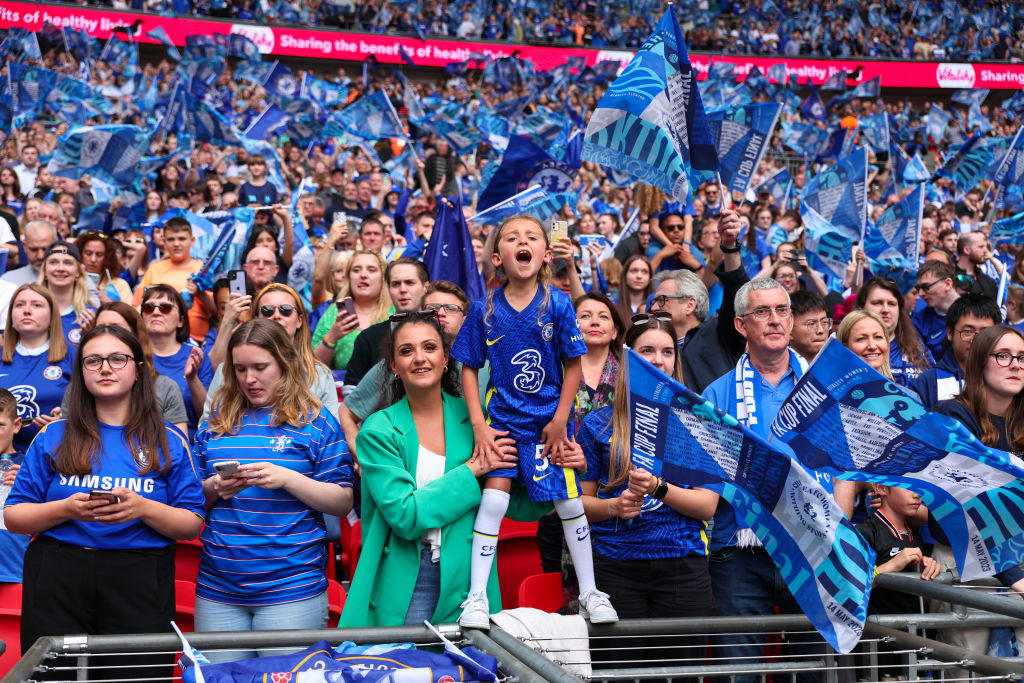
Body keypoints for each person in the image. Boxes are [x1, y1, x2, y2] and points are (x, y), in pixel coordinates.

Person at [5, 325, 205, 675]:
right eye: (93, 360)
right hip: (58, 573)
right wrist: (66, 509)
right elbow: (15, 516)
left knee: (136, 677)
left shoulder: (169, 438)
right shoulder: (53, 434)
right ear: (81, 372)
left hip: (139, 575)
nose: (105, 368)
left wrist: (142, 508)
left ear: (139, 370)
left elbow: (190, 523)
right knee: (53, 679)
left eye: (117, 358)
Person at [451, 214, 619, 628]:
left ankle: (589, 592)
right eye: (511, 238)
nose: (521, 243)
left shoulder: (559, 304)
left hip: (549, 426)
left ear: (545, 254)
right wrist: (478, 424)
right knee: (493, 502)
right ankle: (475, 599)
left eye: (531, 238)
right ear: (497, 256)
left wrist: (562, 420)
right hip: (504, 425)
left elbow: (574, 364)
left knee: (570, 501)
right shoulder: (484, 307)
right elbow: (468, 368)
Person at [340, 310, 553, 627]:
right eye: (406, 351)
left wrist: (556, 469)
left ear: (445, 359)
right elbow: (406, 516)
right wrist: (472, 471)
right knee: (410, 672)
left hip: (468, 573)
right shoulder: (377, 431)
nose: (419, 358)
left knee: (469, 673)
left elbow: (521, 505)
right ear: (394, 368)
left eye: (429, 347)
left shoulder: (478, 422)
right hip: (407, 578)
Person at [193, 319, 353, 660]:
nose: (249, 378)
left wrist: (288, 479)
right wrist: (215, 487)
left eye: (260, 367)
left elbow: (342, 502)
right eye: (240, 369)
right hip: (218, 588)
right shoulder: (215, 422)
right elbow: (190, 500)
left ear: (285, 362)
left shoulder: (318, 420)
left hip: (292, 588)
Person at [578, 313, 718, 663]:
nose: (658, 360)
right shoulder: (597, 423)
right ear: (627, 357)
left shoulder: (701, 421)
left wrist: (658, 488)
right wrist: (614, 507)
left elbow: (707, 507)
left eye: (668, 352)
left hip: (683, 569)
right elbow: (577, 504)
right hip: (615, 568)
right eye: (647, 350)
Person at [702, 277, 817, 682]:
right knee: (740, 673)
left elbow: (841, 466)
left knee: (811, 672)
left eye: (781, 310)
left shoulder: (821, 388)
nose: (774, 320)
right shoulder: (715, 397)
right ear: (740, 325)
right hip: (740, 552)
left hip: (811, 546)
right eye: (762, 312)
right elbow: (708, 479)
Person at [933, 325, 1024, 669]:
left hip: (1020, 559)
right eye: (1003, 356)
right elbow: (963, 507)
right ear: (979, 364)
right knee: (972, 672)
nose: (1015, 365)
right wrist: (1013, 575)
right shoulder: (953, 417)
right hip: (968, 564)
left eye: (1022, 357)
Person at [337, 281, 468, 459]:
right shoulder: (396, 367)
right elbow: (347, 412)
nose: (441, 313)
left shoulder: (481, 367)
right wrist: (362, 457)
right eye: (433, 308)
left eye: (451, 308)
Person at [202, 284, 341, 423]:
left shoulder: (319, 374)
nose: (276, 316)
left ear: (299, 321)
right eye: (267, 310)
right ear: (256, 318)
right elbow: (207, 426)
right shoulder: (228, 370)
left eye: (285, 310)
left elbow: (331, 434)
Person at [70, 302, 189, 436]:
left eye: (116, 328)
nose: (108, 334)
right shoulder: (79, 387)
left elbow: (177, 444)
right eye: (101, 328)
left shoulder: (165, 387)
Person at [1, 284, 74, 451]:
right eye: (19, 305)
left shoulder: (73, 356)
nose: (27, 310)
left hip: (57, 455)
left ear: (52, 317)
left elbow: (92, 410)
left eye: (36, 305)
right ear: (11, 317)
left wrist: (64, 422)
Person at [341, 257, 428, 391]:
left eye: (410, 283)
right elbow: (351, 392)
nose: (403, 289)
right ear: (388, 289)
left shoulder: (441, 332)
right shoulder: (368, 338)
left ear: (425, 287)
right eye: (395, 284)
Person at [142, 285, 214, 437]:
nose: (156, 312)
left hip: (191, 444)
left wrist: (192, 378)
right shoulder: (132, 356)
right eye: (149, 307)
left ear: (181, 321)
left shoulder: (196, 355)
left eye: (165, 308)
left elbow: (208, 417)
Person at [911, 294, 1000, 409]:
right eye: (968, 331)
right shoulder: (928, 382)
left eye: (985, 332)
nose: (977, 339)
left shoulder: (1005, 376)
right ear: (949, 332)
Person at [132, 216, 211, 343]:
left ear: (192, 240)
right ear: (164, 241)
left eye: (181, 239)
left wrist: (199, 293)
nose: (176, 244)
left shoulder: (203, 269)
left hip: (197, 341)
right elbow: (136, 306)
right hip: (156, 340)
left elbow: (218, 311)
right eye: (171, 239)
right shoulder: (154, 269)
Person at [311, 250, 390, 371]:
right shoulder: (334, 313)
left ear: (383, 277)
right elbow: (312, 368)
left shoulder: (395, 312)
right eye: (356, 270)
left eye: (371, 270)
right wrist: (332, 337)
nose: (363, 275)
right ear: (349, 278)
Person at [855, 277, 933, 387]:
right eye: (877, 303)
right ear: (862, 307)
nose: (885, 309)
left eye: (892, 304)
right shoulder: (846, 348)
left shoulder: (917, 348)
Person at [38, 241, 97, 346]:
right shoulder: (29, 312)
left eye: (68, 263)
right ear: (45, 271)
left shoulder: (91, 316)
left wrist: (90, 336)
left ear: (78, 272)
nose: (60, 268)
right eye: (53, 262)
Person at [911, 261, 961, 360]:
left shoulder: (976, 311)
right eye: (918, 288)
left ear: (947, 284)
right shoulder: (919, 321)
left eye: (926, 287)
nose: (920, 293)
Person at [74, 232, 133, 304]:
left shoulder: (119, 284)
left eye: (99, 255)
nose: (93, 259)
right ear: (79, 253)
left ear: (107, 257)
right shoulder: (70, 281)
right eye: (88, 253)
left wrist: (109, 303)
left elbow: (130, 313)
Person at [837, 310, 894, 380]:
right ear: (844, 347)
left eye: (878, 337)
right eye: (861, 339)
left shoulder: (901, 390)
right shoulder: (826, 390)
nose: (872, 346)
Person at [788, 291, 830, 362]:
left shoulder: (841, 365)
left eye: (824, 322)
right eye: (811, 324)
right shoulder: (777, 369)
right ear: (789, 330)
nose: (820, 330)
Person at [614, 255, 653, 322]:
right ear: (625, 275)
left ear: (650, 277)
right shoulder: (613, 306)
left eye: (644, 272)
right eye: (634, 271)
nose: (639, 276)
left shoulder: (656, 307)